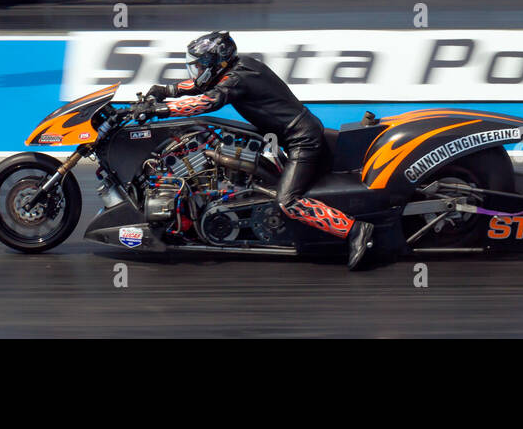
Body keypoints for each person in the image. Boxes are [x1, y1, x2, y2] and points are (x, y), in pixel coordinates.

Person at [135, 31, 376, 269]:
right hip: (292, 134)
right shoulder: (242, 66)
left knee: (287, 200)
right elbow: (201, 85)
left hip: (301, 140)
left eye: (200, 66)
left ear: (216, 61)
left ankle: (354, 230)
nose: (197, 71)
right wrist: (168, 91)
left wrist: (161, 110)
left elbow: (208, 101)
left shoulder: (238, 79)